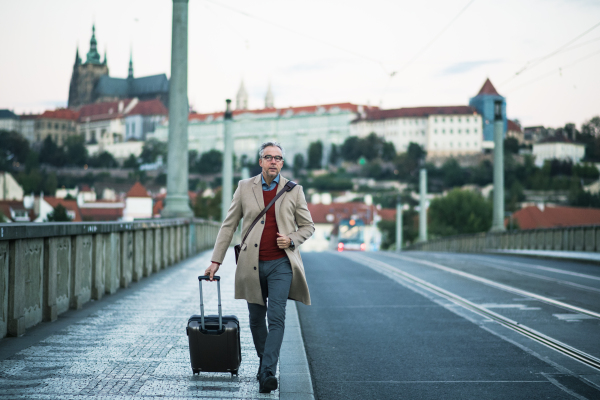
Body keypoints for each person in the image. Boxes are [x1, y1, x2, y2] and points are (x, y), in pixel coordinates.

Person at [205, 141, 314, 393]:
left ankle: (267, 372)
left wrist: (292, 239)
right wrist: (215, 261)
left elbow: (308, 226)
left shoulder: (294, 190)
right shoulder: (244, 187)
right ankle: (265, 363)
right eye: (268, 157)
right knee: (256, 319)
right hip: (251, 265)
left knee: (277, 318)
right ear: (260, 162)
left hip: (281, 265)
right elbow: (229, 225)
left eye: (278, 158)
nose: (273, 161)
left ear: (282, 163)